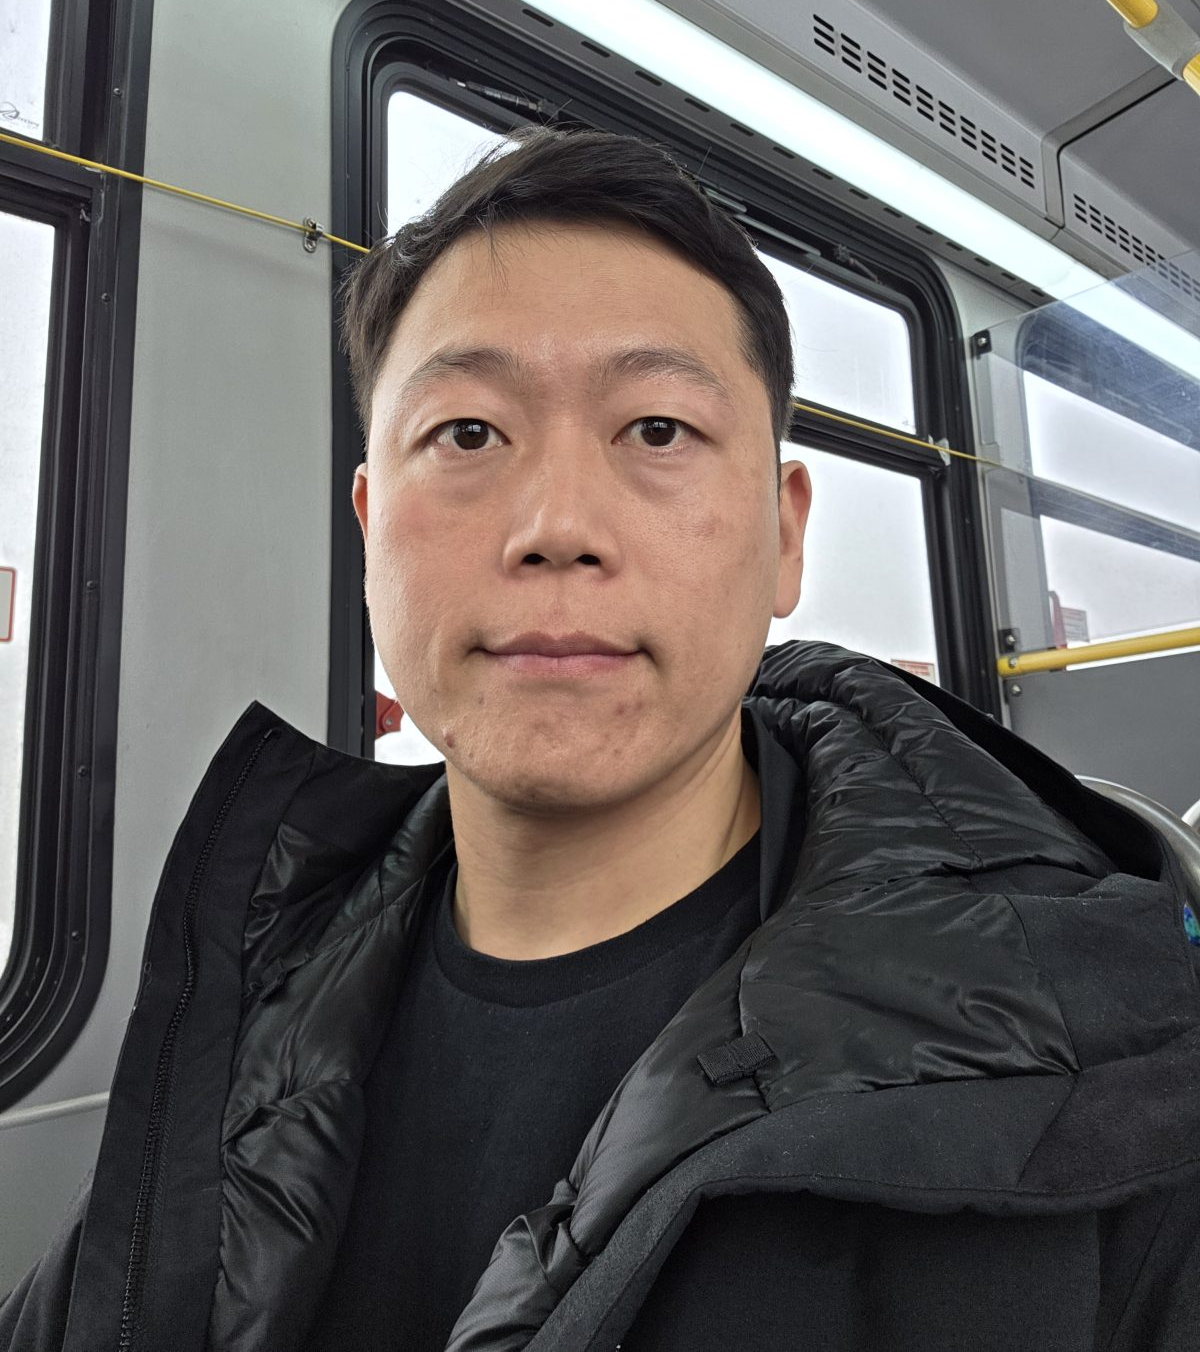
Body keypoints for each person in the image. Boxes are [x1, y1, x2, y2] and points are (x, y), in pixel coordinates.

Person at [3, 126, 1200, 1352]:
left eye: (658, 430)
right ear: (370, 530)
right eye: (468, 432)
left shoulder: (1105, 1085)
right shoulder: (234, 1005)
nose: (557, 523)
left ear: (786, 537)